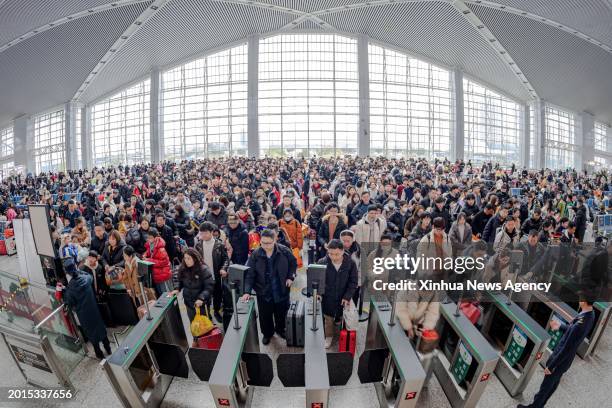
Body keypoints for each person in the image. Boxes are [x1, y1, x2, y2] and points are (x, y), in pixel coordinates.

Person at [518, 298, 595, 408]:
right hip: (565, 361)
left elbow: (567, 348)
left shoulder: (581, 323)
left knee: (546, 386)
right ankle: (540, 405)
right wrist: (559, 326)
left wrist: (551, 366)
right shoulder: (590, 314)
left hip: (560, 360)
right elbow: (572, 331)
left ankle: (535, 406)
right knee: (552, 384)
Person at [242, 229, 297, 345]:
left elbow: (293, 263)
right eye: (263, 243)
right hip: (263, 290)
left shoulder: (284, 251)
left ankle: (280, 329)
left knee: (281, 312)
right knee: (265, 315)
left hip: (281, 288)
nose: (266, 246)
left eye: (269, 243)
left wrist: (290, 277)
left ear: (275, 240)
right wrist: (247, 291)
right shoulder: (256, 254)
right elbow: (250, 274)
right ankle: (267, 334)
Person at [58, 259, 111, 359]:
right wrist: (79, 271)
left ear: (67, 272)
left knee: (92, 333)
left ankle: (99, 354)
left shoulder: (70, 288)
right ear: (75, 267)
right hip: (94, 310)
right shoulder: (86, 279)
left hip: (84, 315)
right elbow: (89, 276)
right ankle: (108, 348)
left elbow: (69, 302)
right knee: (101, 329)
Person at [316, 239, 358, 348]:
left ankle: (340, 331)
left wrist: (347, 296)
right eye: (330, 254)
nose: (333, 257)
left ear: (343, 251)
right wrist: (319, 293)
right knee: (328, 319)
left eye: (337, 254)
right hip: (328, 297)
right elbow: (317, 280)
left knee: (341, 316)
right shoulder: (322, 262)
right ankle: (329, 336)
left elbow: (353, 282)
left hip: (342, 296)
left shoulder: (351, 263)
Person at [195, 222, 230, 322]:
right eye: (201, 233)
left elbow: (226, 259)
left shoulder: (219, 245)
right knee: (205, 296)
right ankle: (207, 314)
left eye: (205, 233)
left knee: (217, 295)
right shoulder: (198, 245)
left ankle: (216, 311)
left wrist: (223, 268)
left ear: (211, 232)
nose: (203, 235)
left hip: (216, 276)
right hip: (204, 277)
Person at [170, 248, 214, 322]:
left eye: (189, 258)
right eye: (185, 258)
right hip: (188, 303)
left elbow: (209, 287)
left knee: (205, 326)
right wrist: (177, 288)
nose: (186, 261)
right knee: (194, 324)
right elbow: (178, 279)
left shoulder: (204, 270)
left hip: (201, 304)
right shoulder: (183, 268)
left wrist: (201, 298)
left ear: (195, 258)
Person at [143, 228, 172, 296]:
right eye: (148, 237)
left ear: (155, 238)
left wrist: (148, 260)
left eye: (150, 238)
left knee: (167, 295)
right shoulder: (151, 245)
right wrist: (145, 255)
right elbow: (149, 252)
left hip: (163, 274)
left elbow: (164, 262)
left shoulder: (161, 248)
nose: (148, 239)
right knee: (162, 295)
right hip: (157, 274)